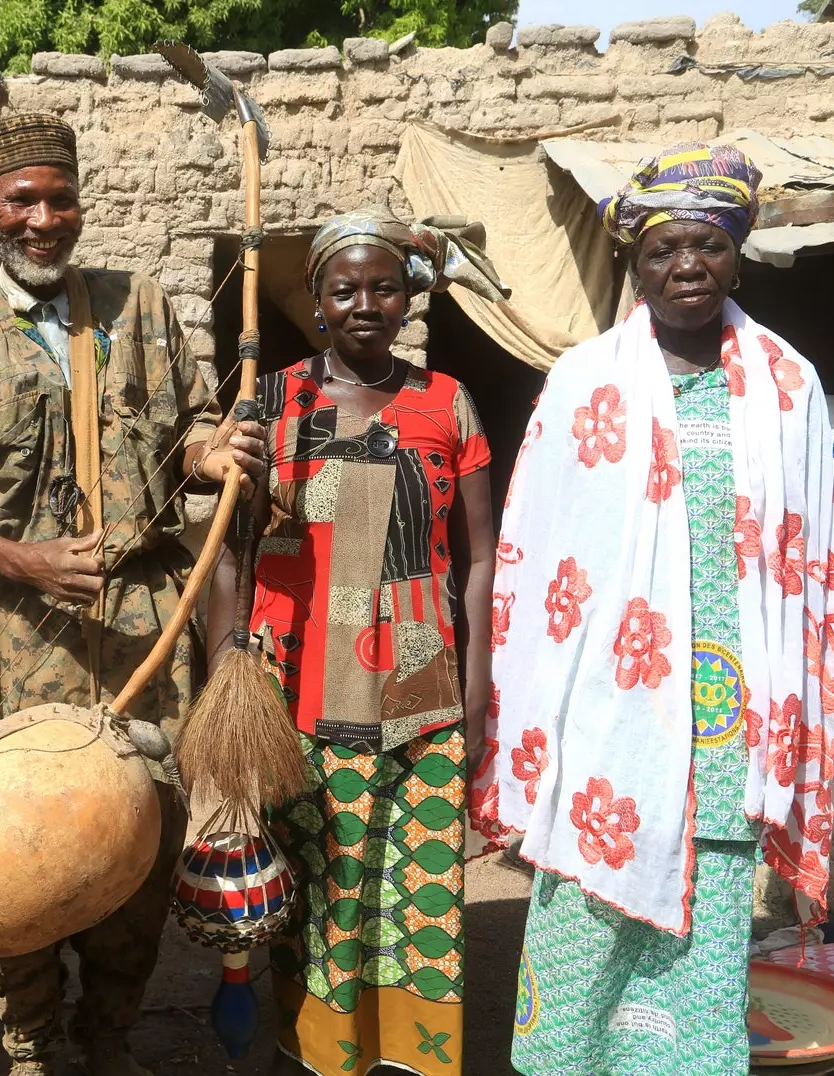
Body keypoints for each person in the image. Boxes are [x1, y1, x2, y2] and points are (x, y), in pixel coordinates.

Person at [0, 112, 265, 1076]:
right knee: (16, 843)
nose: (44, 219)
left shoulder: (138, 306)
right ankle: (31, 1046)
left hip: (142, 631)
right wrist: (25, 562)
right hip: (9, 640)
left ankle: (110, 1041)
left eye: (60, 198)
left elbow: (186, 435)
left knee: (137, 836)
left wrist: (211, 451)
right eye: (23, 200)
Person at [471, 143, 834, 1074]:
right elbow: (534, 552)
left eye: (708, 247)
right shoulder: (582, 382)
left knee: (708, 936)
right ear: (633, 261)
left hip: (730, 712)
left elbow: (814, 565)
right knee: (582, 936)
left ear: (739, 252)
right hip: (606, 709)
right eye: (663, 250)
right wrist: (530, 720)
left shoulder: (787, 385)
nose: (687, 267)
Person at [213, 210, 504, 1076]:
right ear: (318, 301)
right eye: (346, 289)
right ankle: (322, 1055)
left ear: (409, 294)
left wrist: (480, 690)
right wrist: (223, 677)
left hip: (419, 669)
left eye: (384, 286)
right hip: (301, 670)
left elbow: (481, 554)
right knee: (324, 883)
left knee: (417, 886)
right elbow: (229, 553)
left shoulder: (445, 400)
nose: (366, 303)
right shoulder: (272, 402)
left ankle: (414, 1057)